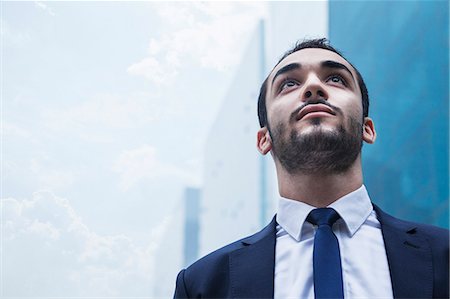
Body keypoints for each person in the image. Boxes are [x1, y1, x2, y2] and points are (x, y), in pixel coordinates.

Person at [173, 38, 449, 298]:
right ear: (263, 139)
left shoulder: (444, 254)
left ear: (367, 128)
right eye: (289, 84)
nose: (314, 87)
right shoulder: (202, 285)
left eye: (336, 79)